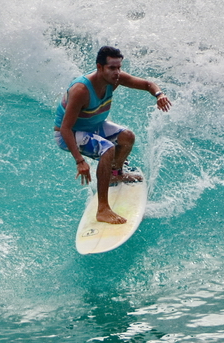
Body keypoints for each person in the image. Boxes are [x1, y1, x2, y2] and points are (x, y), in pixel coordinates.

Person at [54, 46, 172, 224]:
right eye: (112, 68)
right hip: (70, 134)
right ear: (99, 67)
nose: (117, 72)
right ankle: (103, 209)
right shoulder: (81, 90)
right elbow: (65, 128)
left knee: (127, 137)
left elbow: (148, 84)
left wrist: (159, 94)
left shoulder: (114, 79)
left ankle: (115, 173)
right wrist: (79, 161)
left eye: (119, 67)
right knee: (107, 149)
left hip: (93, 125)